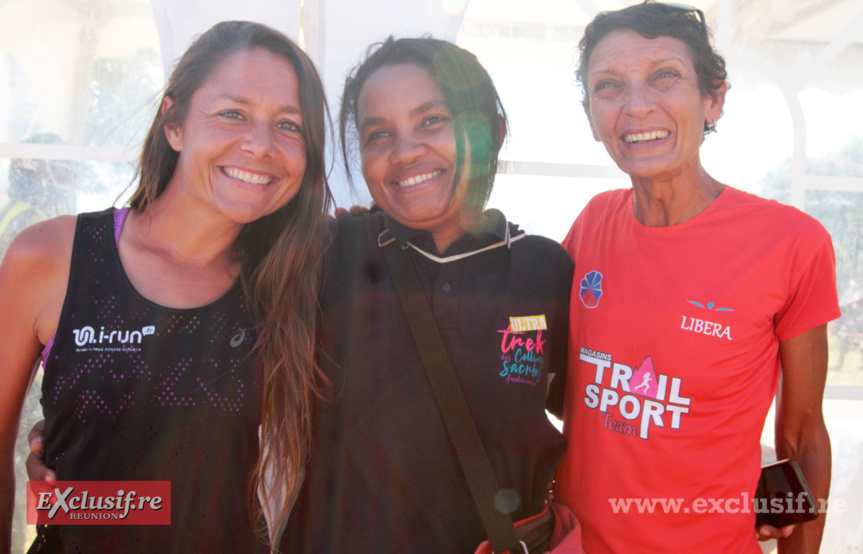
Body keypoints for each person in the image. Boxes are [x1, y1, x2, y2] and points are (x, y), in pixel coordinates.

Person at [0, 20, 331, 553]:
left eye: (289, 125)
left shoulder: (303, 280)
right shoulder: (53, 259)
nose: (260, 144)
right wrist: (74, 496)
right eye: (232, 113)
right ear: (173, 124)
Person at [551, 2, 840, 553]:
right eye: (609, 86)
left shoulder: (792, 244)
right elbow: (559, 387)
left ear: (714, 98)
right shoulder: (591, 224)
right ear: (591, 115)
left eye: (665, 76)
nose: (637, 106)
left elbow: (802, 435)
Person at [279, 37, 575, 553]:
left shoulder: (544, 269)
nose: (404, 151)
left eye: (432, 120)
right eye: (378, 134)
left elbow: (600, 426)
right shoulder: (325, 256)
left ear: (494, 131)